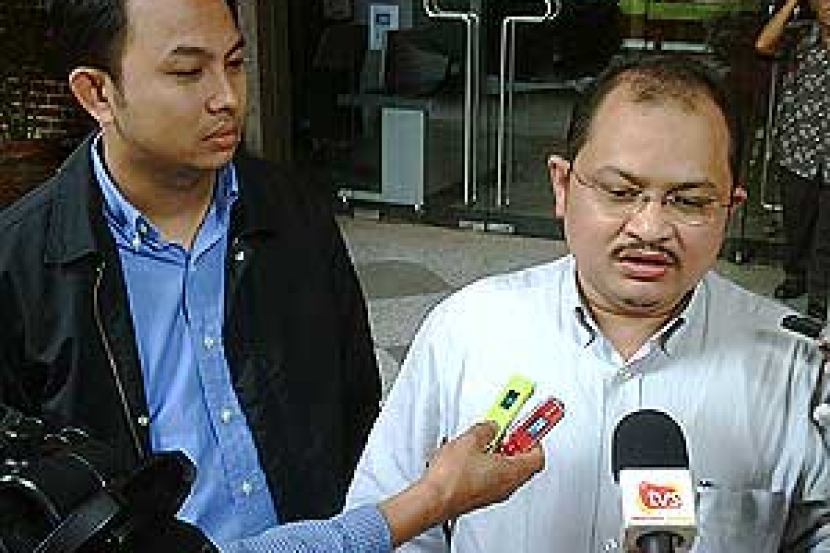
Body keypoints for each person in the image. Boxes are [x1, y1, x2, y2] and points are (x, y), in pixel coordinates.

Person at [346, 54, 830, 552]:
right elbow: (392, 522)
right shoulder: (468, 329)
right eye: (620, 192)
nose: (650, 229)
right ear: (562, 186)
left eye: (688, 201)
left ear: (730, 208)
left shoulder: (794, 362)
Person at [0, 0, 382, 549]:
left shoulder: (295, 214)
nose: (227, 98)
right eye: (187, 72)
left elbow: (356, 407)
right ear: (97, 93)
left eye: (235, 63)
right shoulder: (21, 266)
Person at [755, 0, 830, 322]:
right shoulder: (800, 37)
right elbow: (763, 44)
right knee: (796, 223)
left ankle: (819, 296)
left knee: (826, 234)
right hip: (799, 149)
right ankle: (795, 275)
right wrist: (791, 3)